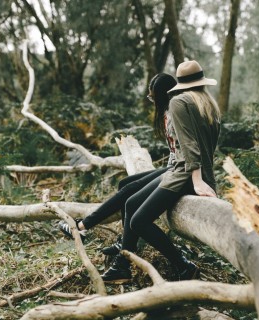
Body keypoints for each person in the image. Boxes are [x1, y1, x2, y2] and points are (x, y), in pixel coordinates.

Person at [101, 60, 221, 283]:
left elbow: (190, 146)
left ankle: (182, 265)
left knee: (138, 220)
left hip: (185, 176)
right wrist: (203, 178)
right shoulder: (207, 104)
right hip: (197, 175)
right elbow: (207, 149)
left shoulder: (179, 102)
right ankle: (123, 264)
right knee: (130, 202)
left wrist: (196, 180)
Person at [58, 73, 178, 255]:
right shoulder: (169, 112)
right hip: (173, 167)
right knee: (125, 184)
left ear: (162, 95)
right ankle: (123, 240)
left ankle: (83, 226)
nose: (151, 101)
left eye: (153, 97)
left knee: (130, 194)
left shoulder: (176, 114)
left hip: (177, 171)